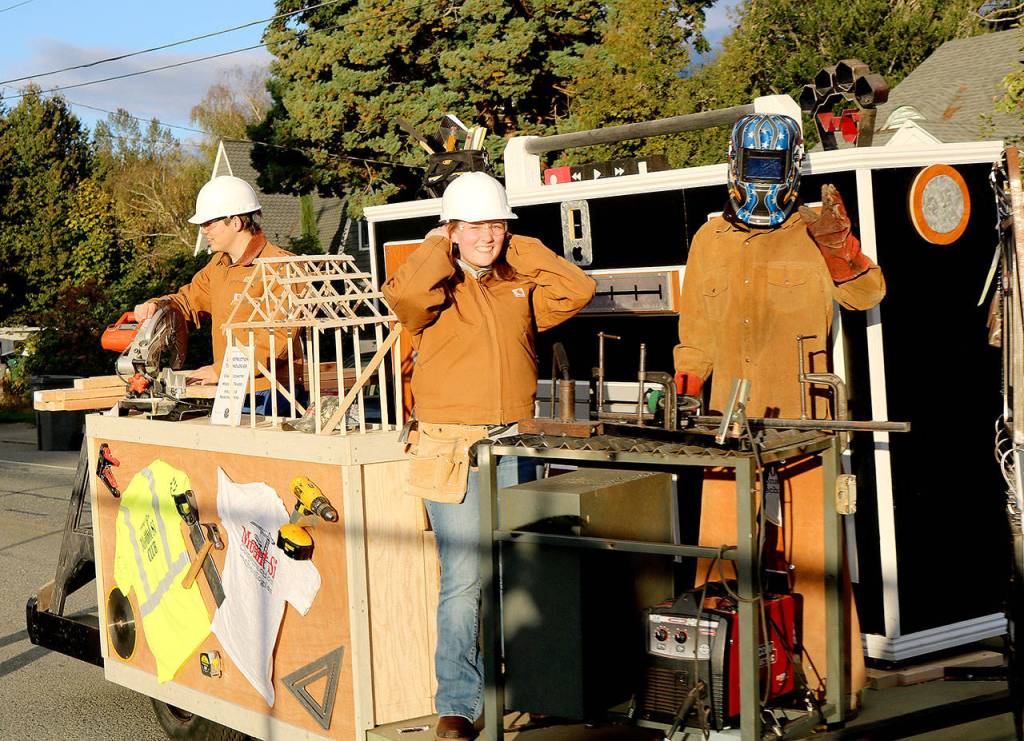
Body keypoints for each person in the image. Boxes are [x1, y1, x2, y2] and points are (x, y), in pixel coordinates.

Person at [674, 113, 886, 707]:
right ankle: (724, 687)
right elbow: (694, 335)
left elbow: (867, 294)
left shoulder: (819, 229)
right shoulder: (709, 241)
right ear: (735, 167)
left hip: (806, 423)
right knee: (721, 556)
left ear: (791, 169)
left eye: (771, 166)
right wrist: (686, 397)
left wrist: (842, 246)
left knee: (815, 561)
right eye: (753, 166)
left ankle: (832, 687)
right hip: (731, 425)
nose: (761, 178)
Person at [382, 171, 595, 740]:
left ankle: (532, 687)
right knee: (464, 578)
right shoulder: (432, 288)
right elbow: (402, 298)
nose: (489, 234)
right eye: (475, 224)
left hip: (515, 440)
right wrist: (439, 245)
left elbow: (577, 289)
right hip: (452, 447)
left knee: (525, 571)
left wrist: (518, 242)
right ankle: (458, 703)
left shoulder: (517, 284)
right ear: (451, 228)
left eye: (497, 223)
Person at [134, 175, 300, 414]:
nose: (203, 231)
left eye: (209, 223)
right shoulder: (218, 267)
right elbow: (188, 302)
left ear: (236, 222)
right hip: (231, 389)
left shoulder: (281, 266)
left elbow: (277, 339)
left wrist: (220, 370)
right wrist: (157, 307)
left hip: (272, 393)